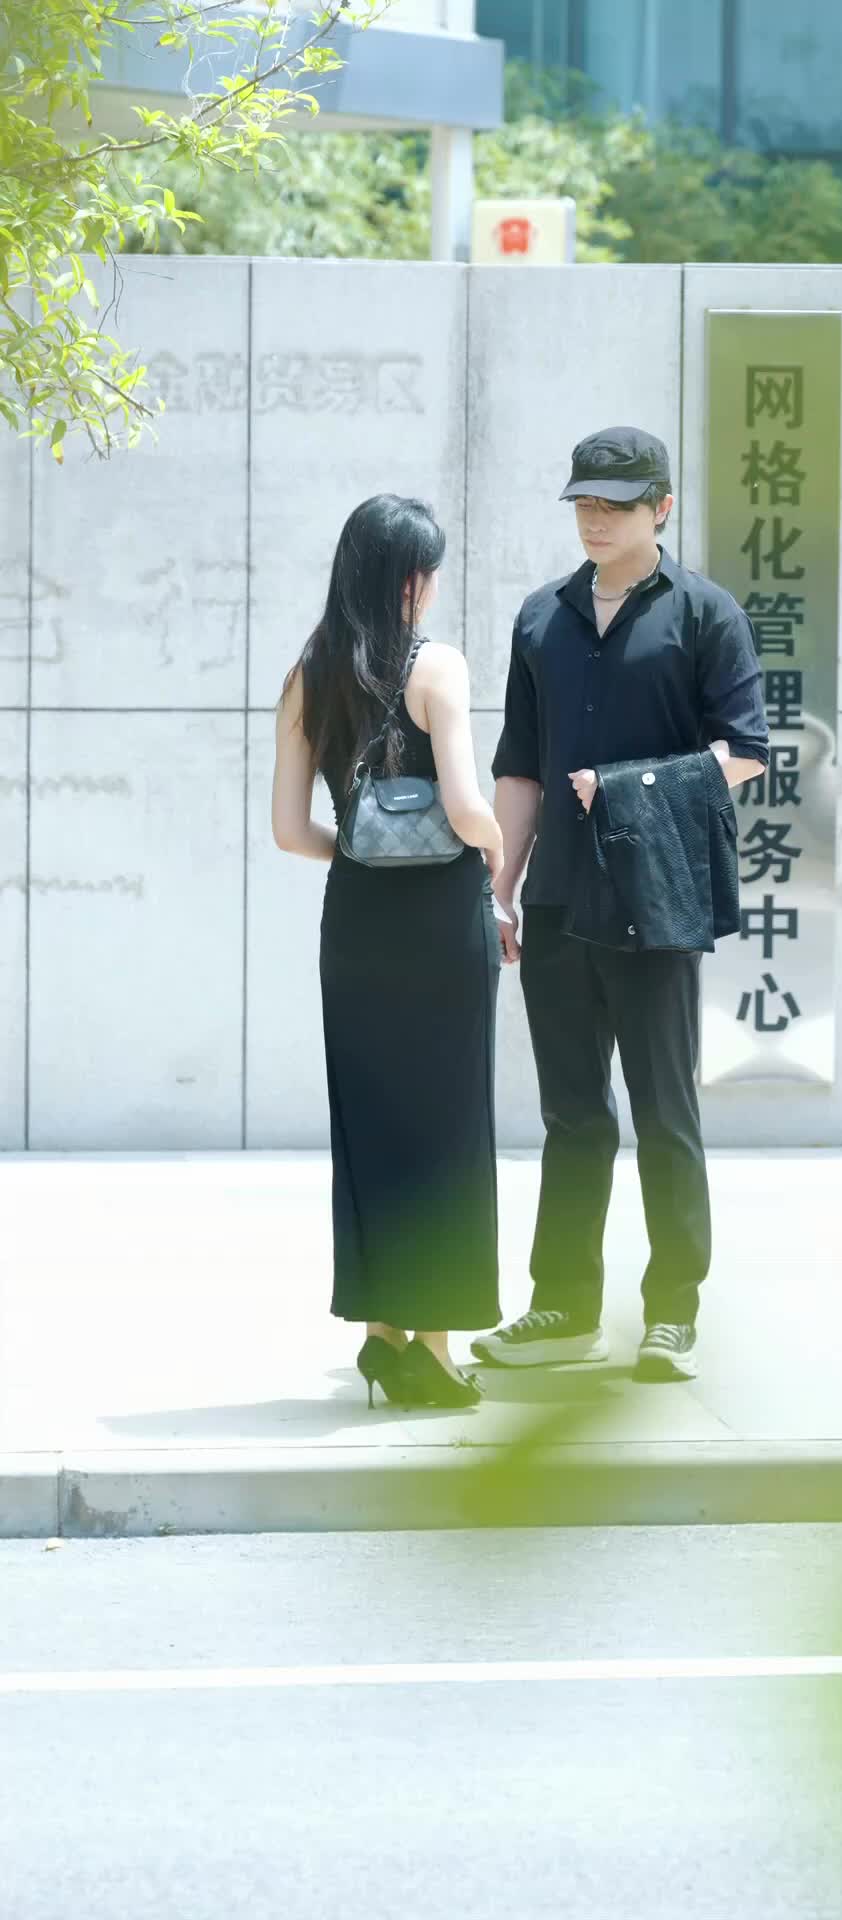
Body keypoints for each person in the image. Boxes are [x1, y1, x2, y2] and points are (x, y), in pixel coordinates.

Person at [473, 427, 769, 1384]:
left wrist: (633, 787)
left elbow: (746, 752)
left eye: (617, 504)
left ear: (662, 508)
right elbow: (521, 767)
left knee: (665, 1110)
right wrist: (500, 889)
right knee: (572, 1115)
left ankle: (672, 1312)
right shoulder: (541, 619)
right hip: (559, 897)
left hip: (656, 900)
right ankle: (564, 1308)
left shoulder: (706, 613)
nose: (595, 520)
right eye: (585, 504)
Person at [272, 495, 504, 1410]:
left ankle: (381, 1335)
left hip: (357, 925)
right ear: (411, 581)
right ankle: (435, 1353)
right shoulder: (436, 666)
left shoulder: (307, 675)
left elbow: (291, 831)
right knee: (447, 1128)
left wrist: (365, 852)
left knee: (369, 1124)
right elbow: (467, 807)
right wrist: (498, 850)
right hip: (441, 924)